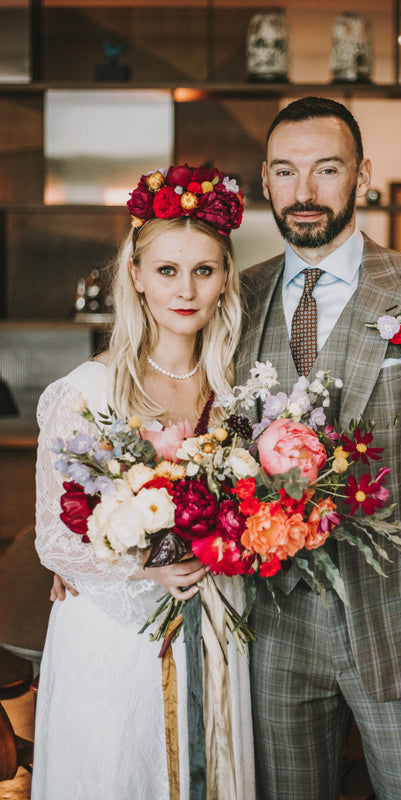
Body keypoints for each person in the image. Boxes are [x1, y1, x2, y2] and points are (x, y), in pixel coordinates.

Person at [235, 96, 401, 800]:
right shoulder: (238, 297)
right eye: (286, 172)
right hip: (271, 632)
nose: (305, 192)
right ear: (265, 180)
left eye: (325, 170)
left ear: (362, 175)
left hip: (400, 629)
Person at [32, 164, 255, 800]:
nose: (185, 289)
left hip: (217, 627)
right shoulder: (86, 392)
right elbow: (54, 540)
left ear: (224, 280)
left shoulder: (239, 396)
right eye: (166, 270)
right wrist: (145, 567)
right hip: (114, 638)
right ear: (135, 275)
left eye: (204, 270)